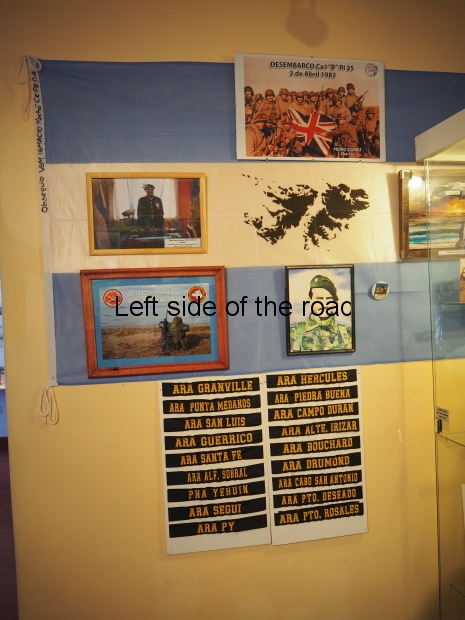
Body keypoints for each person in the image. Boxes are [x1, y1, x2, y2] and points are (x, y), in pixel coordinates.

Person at [289, 275, 352, 351]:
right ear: (310, 301)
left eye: (329, 299)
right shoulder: (293, 332)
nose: (325, 304)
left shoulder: (347, 333)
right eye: (319, 299)